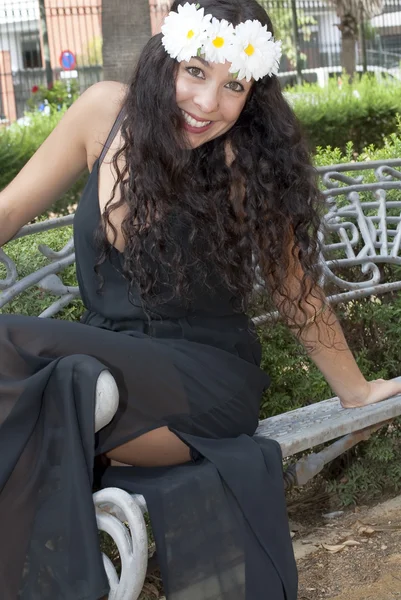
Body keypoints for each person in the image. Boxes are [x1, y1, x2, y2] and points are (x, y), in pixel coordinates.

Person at [1, 1, 401, 599]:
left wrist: (356, 390)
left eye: (233, 85)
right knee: (67, 377)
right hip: (111, 358)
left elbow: (296, 291)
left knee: (17, 347)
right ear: (167, 59)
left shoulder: (253, 165)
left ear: (253, 93)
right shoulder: (101, 114)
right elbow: (7, 209)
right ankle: (82, 392)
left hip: (205, 383)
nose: (208, 103)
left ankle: (82, 393)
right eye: (196, 72)